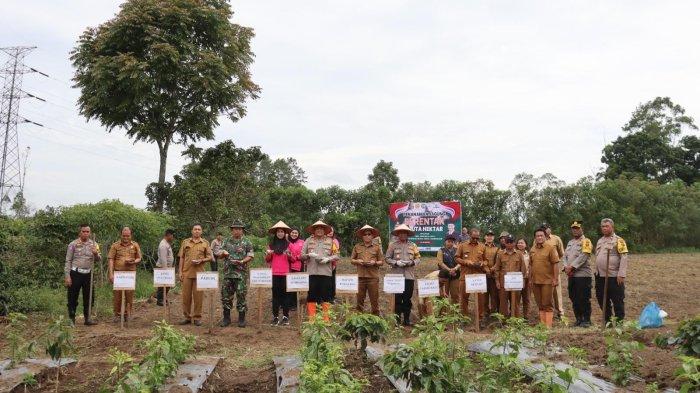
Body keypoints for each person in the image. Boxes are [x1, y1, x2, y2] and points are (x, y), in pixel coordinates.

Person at [215, 220, 254, 327]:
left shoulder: (247, 242)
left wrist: (242, 261)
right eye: (235, 229)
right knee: (226, 296)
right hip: (228, 273)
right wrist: (223, 253)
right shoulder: (226, 241)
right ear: (232, 230)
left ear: (242, 230)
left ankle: (241, 319)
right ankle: (226, 318)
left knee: (241, 295)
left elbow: (250, 255)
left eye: (239, 229)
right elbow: (218, 254)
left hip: (241, 274)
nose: (237, 231)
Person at [301, 220, 339, 322]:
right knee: (311, 295)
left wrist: (329, 259)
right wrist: (309, 255)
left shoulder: (331, 241)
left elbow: (337, 255)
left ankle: (326, 319)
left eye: (321, 228)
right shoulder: (308, 240)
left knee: (326, 296)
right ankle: (312, 319)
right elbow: (301, 255)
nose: (319, 230)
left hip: (326, 272)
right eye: (317, 228)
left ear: (324, 230)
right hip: (312, 272)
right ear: (314, 230)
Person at [64, 224, 101, 326]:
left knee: (89, 297)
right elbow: (68, 260)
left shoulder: (94, 244)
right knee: (72, 297)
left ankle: (87, 319)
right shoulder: (73, 244)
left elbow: (99, 259)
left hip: (88, 274)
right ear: (80, 232)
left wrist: (95, 253)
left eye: (87, 232)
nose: (85, 233)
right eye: (83, 231)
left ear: (90, 233)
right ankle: (71, 319)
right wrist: (67, 276)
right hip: (75, 273)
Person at [385, 224, 421, 326]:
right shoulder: (393, 245)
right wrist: (396, 263)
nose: (403, 234)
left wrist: (412, 263)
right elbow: (387, 258)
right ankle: (397, 320)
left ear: (408, 234)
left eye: (405, 232)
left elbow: (418, 258)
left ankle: (406, 319)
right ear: (398, 234)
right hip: (397, 276)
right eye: (401, 232)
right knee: (397, 298)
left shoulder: (413, 246)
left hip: (409, 276)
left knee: (407, 298)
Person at [595, 218, 629, 324]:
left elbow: (624, 257)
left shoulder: (619, 240)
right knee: (602, 299)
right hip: (600, 276)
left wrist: (621, 274)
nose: (604, 228)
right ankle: (608, 321)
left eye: (607, 226)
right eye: (603, 226)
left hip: (614, 276)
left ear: (612, 227)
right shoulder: (600, 240)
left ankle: (619, 322)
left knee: (617, 300)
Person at [178, 224, 212, 326]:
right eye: (195, 229)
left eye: (199, 229)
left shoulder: (205, 243)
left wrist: (201, 260)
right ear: (192, 231)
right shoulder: (185, 242)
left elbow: (210, 257)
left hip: (199, 274)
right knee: (186, 297)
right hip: (186, 273)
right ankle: (187, 317)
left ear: (201, 232)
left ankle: (197, 317)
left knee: (198, 297)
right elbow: (182, 257)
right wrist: (180, 272)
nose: (197, 231)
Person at [562, 220, 593, 327]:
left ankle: (586, 320)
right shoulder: (570, 242)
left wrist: (572, 267)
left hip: (583, 275)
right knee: (573, 297)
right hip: (571, 275)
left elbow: (584, 256)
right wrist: (565, 267)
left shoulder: (586, 241)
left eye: (577, 228)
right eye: (573, 229)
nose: (575, 231)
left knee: (583, 297)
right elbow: (564, 256)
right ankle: (578, 319)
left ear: (582, 229)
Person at [108, 227, 142, 322]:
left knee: (129, 294)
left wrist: (134, 261)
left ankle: (128, 314)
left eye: (128, 235)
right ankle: (117, 315)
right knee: (117, 295)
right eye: (124, 235)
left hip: (130, 274)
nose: (126, 237)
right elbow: (111, 259)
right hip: (118, 273)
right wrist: (111, 274)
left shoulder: (135, 245)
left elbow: (139, 258)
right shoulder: (115, 245)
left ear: (131, 235)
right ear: (121, 235)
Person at [529, 228, 560, 328]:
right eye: (537, 236)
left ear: (545, 237)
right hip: (535, 281)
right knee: (540, 303)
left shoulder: (550, 248)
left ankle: (548, 326)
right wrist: (530, 279)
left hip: (547, 281)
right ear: (535, 238)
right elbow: (530, 265)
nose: (539, 237)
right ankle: (543, 325)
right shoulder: (532, 249)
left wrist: (555, 279)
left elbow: (555, 264)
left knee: (547, 303)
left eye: (541, 235)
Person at [350, 225, 384, 315]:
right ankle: (359, 318)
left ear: (372, 236)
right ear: (362, 236)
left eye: (369, 234)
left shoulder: (377, 247)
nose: (367, 236)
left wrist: (375, 262)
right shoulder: (357, 247)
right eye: (365, 234)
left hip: (373, 277)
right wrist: (357, 261)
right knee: (359, 299)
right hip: (360, 277)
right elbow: (351, 260)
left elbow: (382, 262)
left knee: (374, 300)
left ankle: (376, 319)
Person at [265, 221, 293, 326]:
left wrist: (289, 254)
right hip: (275, 273)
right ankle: (275, 317)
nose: (280, 233)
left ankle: (286, 317)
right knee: (275, 296)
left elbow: (293, 259)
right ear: (276, 234)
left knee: (286, 296)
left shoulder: (289, 245)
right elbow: (268, 260)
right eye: (278, 232)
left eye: (282, 231)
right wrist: (268, 254)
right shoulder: (271, 246)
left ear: (284, 233)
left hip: (286, 274)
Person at [455, 228, 486, 318]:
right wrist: (466, 262)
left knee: (480, 299)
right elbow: (456, 258)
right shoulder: (462, 245)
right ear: (469, 236)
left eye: (477, 238)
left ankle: (480, 318)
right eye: (473, 238)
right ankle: (464, 318)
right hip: (465, 276)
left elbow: (486, 260)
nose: (475, 240)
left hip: (478, 276)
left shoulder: (482, 246)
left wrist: (482, 263)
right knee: (464, 298)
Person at [494, 235, 527, 317]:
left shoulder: (519, 254)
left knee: (515, 302)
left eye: (511, 242)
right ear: (505, 243)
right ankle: (504, 321)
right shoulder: (500, 254)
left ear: (514, 243)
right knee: (503, 303)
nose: (509, 244)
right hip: (503, 283)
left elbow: (523, 268)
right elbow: (497, 269)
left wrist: (522, 281)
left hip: (516, 283)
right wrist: (497, 281)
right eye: (507, 242)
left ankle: (515, 320)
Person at [541, 223, 565, 320]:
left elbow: (561, 253)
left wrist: (553, 261)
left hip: (553, 269)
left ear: (550, 229)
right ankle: (545, 313)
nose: (545, 230)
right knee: (544, 292)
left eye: (546, 228)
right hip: (542, 270)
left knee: (556, 292)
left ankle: (560, 313)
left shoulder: (556, 239)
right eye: (543, 229)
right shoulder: (537, 239)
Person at [437, 234, 460, 305]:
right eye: (449, 241)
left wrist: (455, 268)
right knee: (444, 295)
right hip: (444, 275)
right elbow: (440, 263)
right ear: (445, 242)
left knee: (455, 295)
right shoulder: (441, 250)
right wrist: (449, 270)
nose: (450, 243)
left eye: (452, 242)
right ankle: (443, 314)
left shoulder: (457, 250)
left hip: (456, 275)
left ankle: (455, 313)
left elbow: (460, 262)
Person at [155, 229, 175, 306]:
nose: (173, 237)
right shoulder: (163, 245)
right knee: (162, 285)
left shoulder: (166, 243)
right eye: (172, 236)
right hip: (163, 268)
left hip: (167, 268)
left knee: (167, 285)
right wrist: (165, 271)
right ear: (168, 235)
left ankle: (163, 298)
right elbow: (163, 259)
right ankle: (160, 300)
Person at [483, 230, 500, 316]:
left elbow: (498, 261)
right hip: (483, 275)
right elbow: (480, 260)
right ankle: (485, 312)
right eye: (488, 235)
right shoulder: (481, 247)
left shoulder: (497, 248)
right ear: (485, 237)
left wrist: (492, 269)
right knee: (484, 295)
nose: (489, 237)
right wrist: (487, 270)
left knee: (494, 295)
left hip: (493, 275)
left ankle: (494, 313)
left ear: (493, 237)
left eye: (491, 236)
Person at [287, 227, 304, 310]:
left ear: (298, 234)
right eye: (292, 233)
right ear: (290, 233)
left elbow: (303, 253)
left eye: (296, 233)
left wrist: (295, 257)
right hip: (287, 266)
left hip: (298, 266)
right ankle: (288, 302)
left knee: (296, 283)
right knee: (288, 283)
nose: (294, 234)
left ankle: (295, 303)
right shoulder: (287, 242)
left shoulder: (302, 242)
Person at [516, 238, 532, 319]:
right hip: (516, 280)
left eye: (522, 243)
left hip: (526, 279)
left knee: (526, 298)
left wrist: (530, 279)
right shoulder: (514, 253)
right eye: (518, 243)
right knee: (516, 299)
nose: (520, 244)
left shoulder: (529, 254)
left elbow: (531, 266)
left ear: (525, 245)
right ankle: (516, 317)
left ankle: (526, 316)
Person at [328, 226, 340, 302]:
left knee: (332, 280)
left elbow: (336, 254)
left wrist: (334, 264)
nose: (330, 232)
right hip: (323, 265)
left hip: (332, 264)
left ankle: (332, 296)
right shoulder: (322, 240)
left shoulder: (335, 241)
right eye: (328, 231)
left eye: (331, 231)